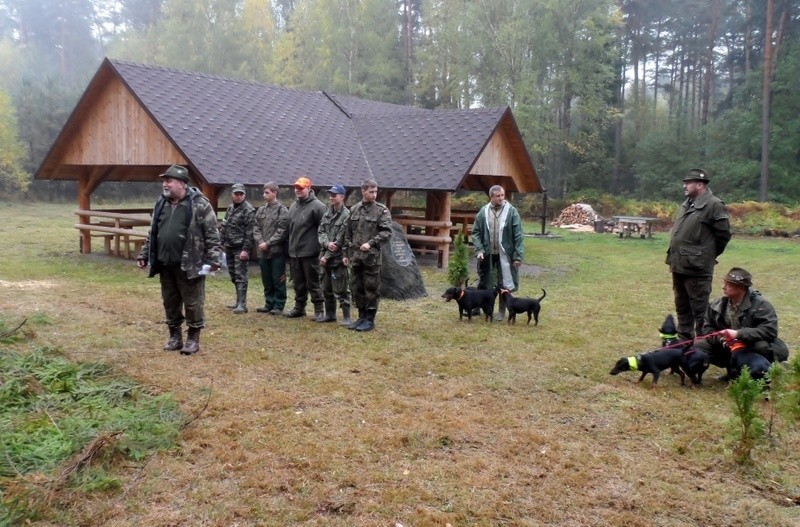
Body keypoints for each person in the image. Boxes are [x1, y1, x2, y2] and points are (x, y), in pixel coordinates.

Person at [137, 165, 222, 355]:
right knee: (170, 302)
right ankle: (175, 337)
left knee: (193, 303)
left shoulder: (200, 204)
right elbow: (153, 233)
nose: (165, 184)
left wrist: (214, 260)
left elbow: (212, 235)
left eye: (169, 180)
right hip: (165, 263)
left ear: (182, 184)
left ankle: (193, 339)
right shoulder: (161, 203)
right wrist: (144, 254)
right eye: (164, 180)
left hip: (191, 263)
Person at [666, 168, 731, 341]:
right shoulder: (688, 203)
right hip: (679, 265)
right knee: (682, 307)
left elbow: (723, 235)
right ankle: (684, 344)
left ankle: (704, 349)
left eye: (688, 183)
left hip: (697, 269)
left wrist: (705, 255)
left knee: (700, 311)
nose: (684, 186)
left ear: (700, 184)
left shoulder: (714, 204)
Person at [695, 267, 790, 377]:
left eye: (728, 285)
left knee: (762, 347)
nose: (723, 287)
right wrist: (721, 339)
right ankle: (733, 369)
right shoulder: (717, 304)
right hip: (728, 345)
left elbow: (769, 330)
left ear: (741, 288)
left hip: (751, 344)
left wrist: (738, 334)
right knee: (699, 345)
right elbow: (707, 327)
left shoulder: (761, 305)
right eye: (724, 283)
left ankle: (759, 372)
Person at [342, 178, 392, 332]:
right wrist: (345, 253)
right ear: (363, 191)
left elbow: (387, 232)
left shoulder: (381, 210)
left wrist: (370, 243)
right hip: (356, 257)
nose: (374, 195)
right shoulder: (354, 209)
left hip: (371, 257)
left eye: (376, 192)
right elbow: (347, 233)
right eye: (371, 192)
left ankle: (369, 319)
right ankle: (361, 316)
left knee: (371, 288)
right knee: (357, 287)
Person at [471, 185, 524, 321]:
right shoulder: (483, 212)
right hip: (488, 254)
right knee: (485, 282)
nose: (501, 198)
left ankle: (501, 312)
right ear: (491, 197)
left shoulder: (511, 212)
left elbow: (518, 235)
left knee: (504, 283)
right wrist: (479, 249)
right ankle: (484, 310)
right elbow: (476, 233)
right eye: (498, 196)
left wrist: (518, 256)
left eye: (502, 195)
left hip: (505, 254)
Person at [284, 176, 327, 321]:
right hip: (295, 252)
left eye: (301, 188)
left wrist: (322, 251)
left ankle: (319, 310)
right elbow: (289, 229)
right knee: (298, 283)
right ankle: (299, 308)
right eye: (296, 188)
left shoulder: (318, 207)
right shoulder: (293, 206)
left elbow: (325, 229)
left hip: (310, 253)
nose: (298, 190)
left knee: (313, 282)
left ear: (309, 188)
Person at [317, 184, 351, 325]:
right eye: (330, 195)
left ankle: (347, 317)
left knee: (341, 288)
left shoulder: (346, 215)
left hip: (338, 258)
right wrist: (325, 244)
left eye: (334, 195)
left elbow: (341, 238)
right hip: (326, 255)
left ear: (342, 197)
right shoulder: (327, 213)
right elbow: (321, 231)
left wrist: (327, 255)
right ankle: (330, 314)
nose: (331, 197)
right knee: (326, 288)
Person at [253, 181, 289, 315]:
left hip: (276, 252)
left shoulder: (282, 210)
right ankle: (269, 303)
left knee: (277, 279)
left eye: (267, 192)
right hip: (262, 252)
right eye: (264, 192)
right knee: (266, 279)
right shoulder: (261, 210)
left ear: (275, 193)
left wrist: (268, 243)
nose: (264, 195)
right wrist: (261, 242)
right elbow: (256, 227)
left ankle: (279, 305)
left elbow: (282, 231)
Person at [221, 183, 255, 314]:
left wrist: (246, 250)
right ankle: (237, 301)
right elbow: (225, 225)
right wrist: (220, 242)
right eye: (236, 194)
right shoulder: (230, 208)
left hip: (240, 247)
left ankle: (242, 304)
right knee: (233, 274)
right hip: (229, 246)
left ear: (244, 195)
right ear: (232, 195)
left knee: (241, 275)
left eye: (241, 194)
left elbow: (250, 232)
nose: (239, 196)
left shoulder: (248, 210)